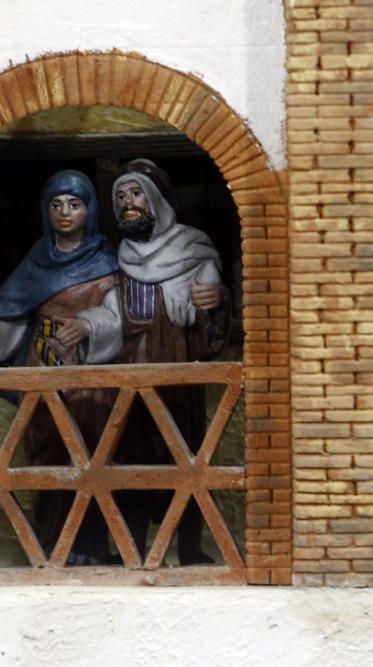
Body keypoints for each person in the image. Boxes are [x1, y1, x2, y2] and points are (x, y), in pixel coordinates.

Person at [0, 169, 122, 565]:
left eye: (74, 205)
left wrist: (89, 325)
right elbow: (14, 313)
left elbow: (119, 315)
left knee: (92, 450)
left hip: (90, 368)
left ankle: (91, 545)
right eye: (56, 205)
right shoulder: (36, 260)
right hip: (44, 364)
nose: (65, 213)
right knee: (47, 451)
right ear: (45, 211)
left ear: (90, 210)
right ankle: (53, 545)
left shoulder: (107, 258)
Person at [111, 159, 230, 565]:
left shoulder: (194, 250)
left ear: (156, 200)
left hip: (180, 373)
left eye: (136, 194)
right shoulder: (121, 260)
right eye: (121, 197)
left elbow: (213, 316)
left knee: (186, 455)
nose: (129, 204)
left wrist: (215, 304)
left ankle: (189, 547)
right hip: (134, 379)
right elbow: (112, 316)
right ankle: (136, 552)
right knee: (134, 464)